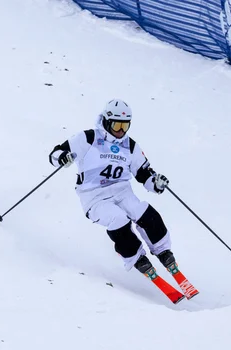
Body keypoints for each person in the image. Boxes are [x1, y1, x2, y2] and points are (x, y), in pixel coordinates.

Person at [48, 99, 193, 300]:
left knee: (144, 212)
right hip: (94, 197)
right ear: (106, 121)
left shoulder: (130, 146)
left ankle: (164, 252)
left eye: (125, 126)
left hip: (122, 192)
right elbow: (55, 153)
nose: (120, 131)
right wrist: (63, 157)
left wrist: (156, 183)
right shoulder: (88, 138)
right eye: (117, 125)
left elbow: (144, 175)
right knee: (118, 219)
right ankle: (136, 257)